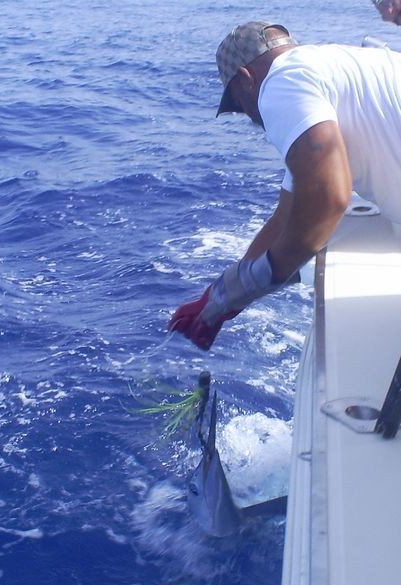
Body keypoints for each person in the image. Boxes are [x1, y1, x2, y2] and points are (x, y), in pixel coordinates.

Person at [169, 21, 401, 351]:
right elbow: (284, 219)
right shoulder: (332, 72)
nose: (248, 115)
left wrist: (253, 282)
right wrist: (220, 298)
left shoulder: (282, 81)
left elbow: (327, 199)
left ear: (245, 79)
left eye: (238, 103)